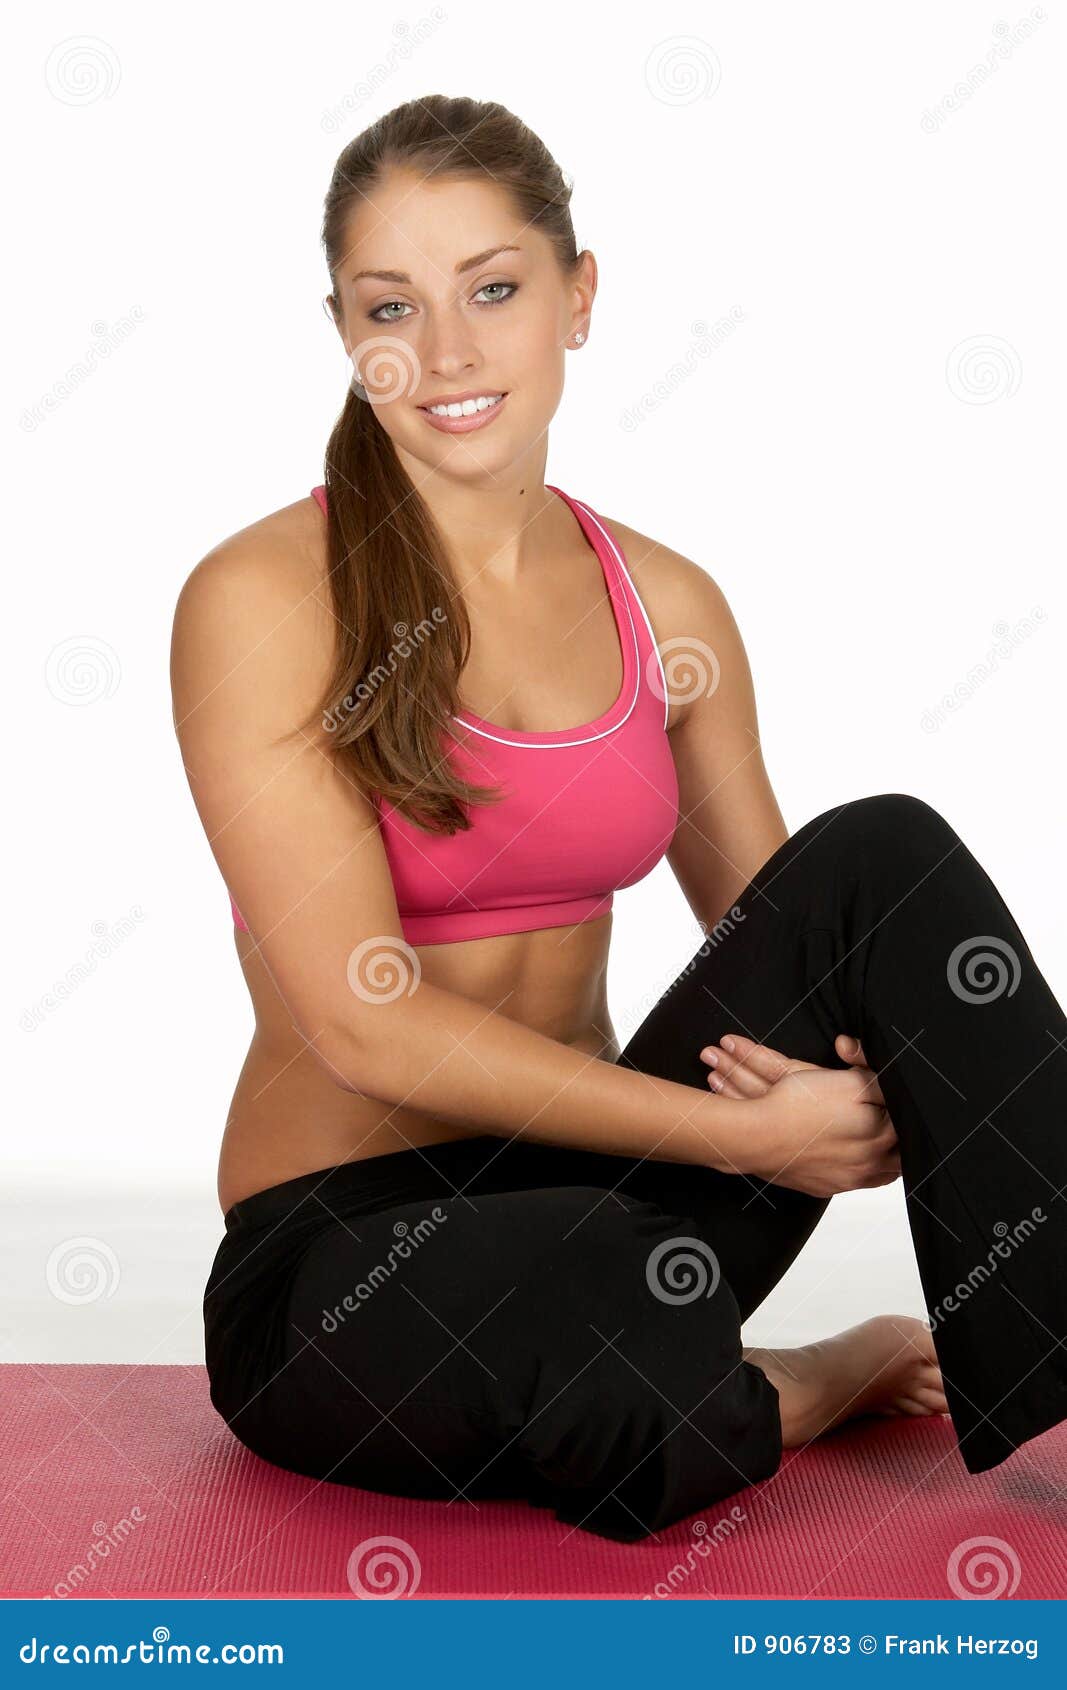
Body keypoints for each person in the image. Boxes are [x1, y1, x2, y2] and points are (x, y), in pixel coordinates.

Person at [170, 94, 1067, 1544]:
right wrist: (748, 1145)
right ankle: (799, 1381)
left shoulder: (668, 604)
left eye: (497, 290)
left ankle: (1053, 1344)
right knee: (601, 1292)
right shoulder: (264, 600)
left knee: (887, 856)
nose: (449, 354)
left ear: (579, 298)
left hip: (611, 1190)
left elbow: (799, 930)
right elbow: (365, 1023)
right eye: (392, 305)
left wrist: (884, 1066)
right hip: (338, 1262)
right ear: (344, 328)